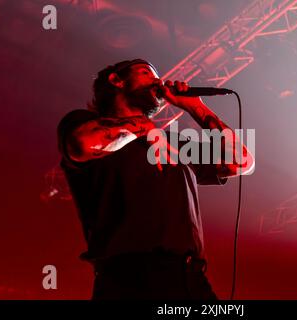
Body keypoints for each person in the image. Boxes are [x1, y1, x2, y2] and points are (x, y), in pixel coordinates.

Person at [57, 58, 254, 300]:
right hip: (130, 279)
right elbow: (82, 143)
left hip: (190, 277)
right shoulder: (81, 122)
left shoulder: (174, 142)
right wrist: (144, 127)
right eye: (146, 73)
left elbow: (241, 162)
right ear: (116, 80)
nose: (158, 81)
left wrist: (195, 107)